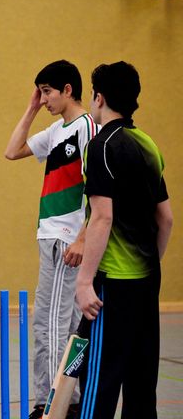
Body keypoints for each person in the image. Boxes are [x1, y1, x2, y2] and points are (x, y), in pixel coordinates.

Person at [75, 61, 173, 419]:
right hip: (147, 285)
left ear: (98, 98)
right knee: (141, 387)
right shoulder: (147, 144)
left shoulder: (101, 146)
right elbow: (166, 219)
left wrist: (85, 282)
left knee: (98, 384)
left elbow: (102, 216)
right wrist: (150, 267)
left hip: (112, 286)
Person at [3, 59, 98, 419]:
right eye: (40, 93)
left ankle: (56, 404)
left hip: (67, 239)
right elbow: (12, 151)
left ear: (68, 90)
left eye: (47, 92)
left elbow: (98, 190)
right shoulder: (59, 129)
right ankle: (60, 401)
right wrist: (29, 108)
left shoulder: (87, 127)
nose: (43, 100)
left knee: (54, 324)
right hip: (50, 234)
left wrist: (82, 238)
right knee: (54, 323)